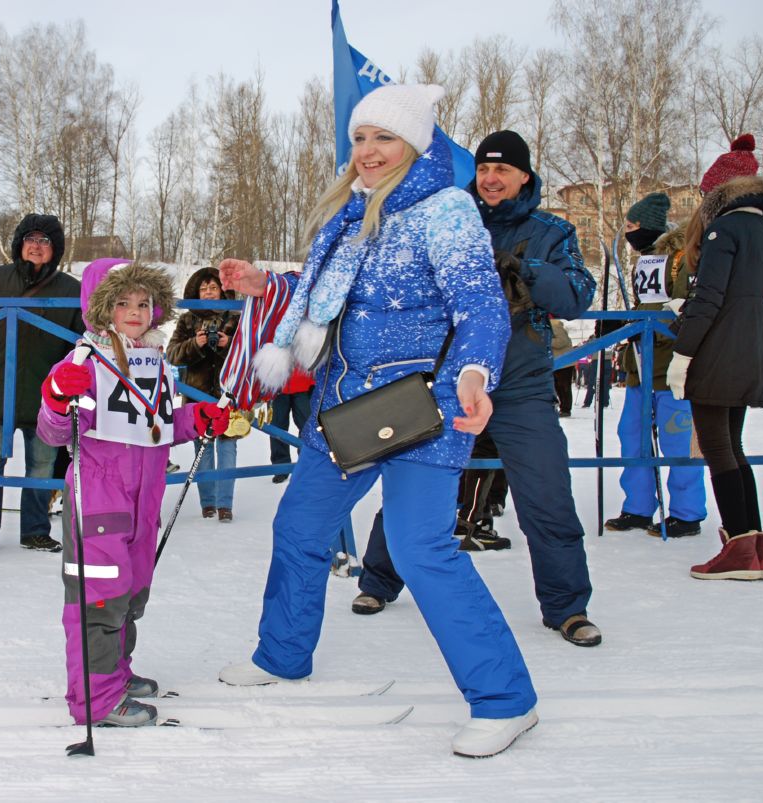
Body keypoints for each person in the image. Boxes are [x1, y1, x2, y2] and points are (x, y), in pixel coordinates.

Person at [217, 84, 538, 759]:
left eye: (383, 138)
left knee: (422, 549)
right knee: (300, 526)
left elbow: (480, 304)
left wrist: (475, 372)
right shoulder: (353, 210)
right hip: (347, 409)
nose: (367, 151)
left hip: (425, 407)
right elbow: (336, 290)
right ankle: (282, 654)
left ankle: (505, 699)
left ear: (415, 144)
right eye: (360, 138)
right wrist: (270, 285)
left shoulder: (445, 211)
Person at [354, 129, 602, 649]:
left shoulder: (551, 230)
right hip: (446, 378)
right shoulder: (449, 216)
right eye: (485, 170)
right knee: (413, 480)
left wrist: (524, 269)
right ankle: (378, 581)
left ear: (524, 177)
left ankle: (567, 606)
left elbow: (578, 294)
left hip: (520, 384)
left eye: (503, 171)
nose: (491, 179)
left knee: (547, 495)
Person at [38, 260, 229, 727]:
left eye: (143, 302)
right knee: (98, 599)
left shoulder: (153, 360)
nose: (134, 311)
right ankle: (97, 699)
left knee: (130, 594)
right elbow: (52, 431)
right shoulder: (83, 360)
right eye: (122, 302)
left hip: (144, 503)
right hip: (98, 500)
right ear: (101, 306)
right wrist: (57, 397)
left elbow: (156, 425)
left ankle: (115, 673)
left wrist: (194, 420)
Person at [667, 134, 763, 580]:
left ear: (718, 193)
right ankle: (753, 546)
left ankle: (739, 548)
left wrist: (683, 351)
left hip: (719, 349)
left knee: (717, 447)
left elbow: (711, 296)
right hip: (753, 342)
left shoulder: (722, 229)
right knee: (734, 445)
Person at [0, 214, 84, 555]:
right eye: (31, 239)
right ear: (19, 244)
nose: (37, 246)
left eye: (45, 241)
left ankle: (35, 530)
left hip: (47, 399)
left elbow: (82, 344)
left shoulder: (72, 290)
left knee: (41, 466)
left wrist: (67, 384)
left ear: (54, 248)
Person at [605, 192, 706, 538]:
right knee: (632, 435)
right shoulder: (642, 262)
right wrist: (622, 325)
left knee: (678, 440)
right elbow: (642, 305)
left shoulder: (681, 259)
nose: (629, 232)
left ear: (648, 227)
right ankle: (638, 505)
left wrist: (647, 329)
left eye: (633, 226)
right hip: (639, 368)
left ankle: (686, 512)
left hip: (672, 369)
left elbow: (682, 307)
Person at [165, 267, 240, 521]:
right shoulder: (187, 320)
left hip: (227, 393)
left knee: (228, 450)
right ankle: (208, 503)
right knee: (203, 450)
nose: (208, 292)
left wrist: (226, 344)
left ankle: (225, 505)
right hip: (196, 396)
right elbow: (172, 355)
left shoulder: (236, 316)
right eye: (203, 288)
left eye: (213, 288)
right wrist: (194, 344)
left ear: (222, 291)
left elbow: (247, 355)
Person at [267, 368, 315, 483]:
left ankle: (306, 466)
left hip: (303, 382)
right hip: (276, 385)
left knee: (307, 427)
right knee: (276, 428)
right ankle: (280, 467)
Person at [550, 318, 574, 417]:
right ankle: (563, 407)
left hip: (564, 362)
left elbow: (562, 341)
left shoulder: (554, 325)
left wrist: (546, 340)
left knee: (564, 387)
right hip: (558, 362)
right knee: (558, 386)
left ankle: (566, 409)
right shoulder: (551, 325)